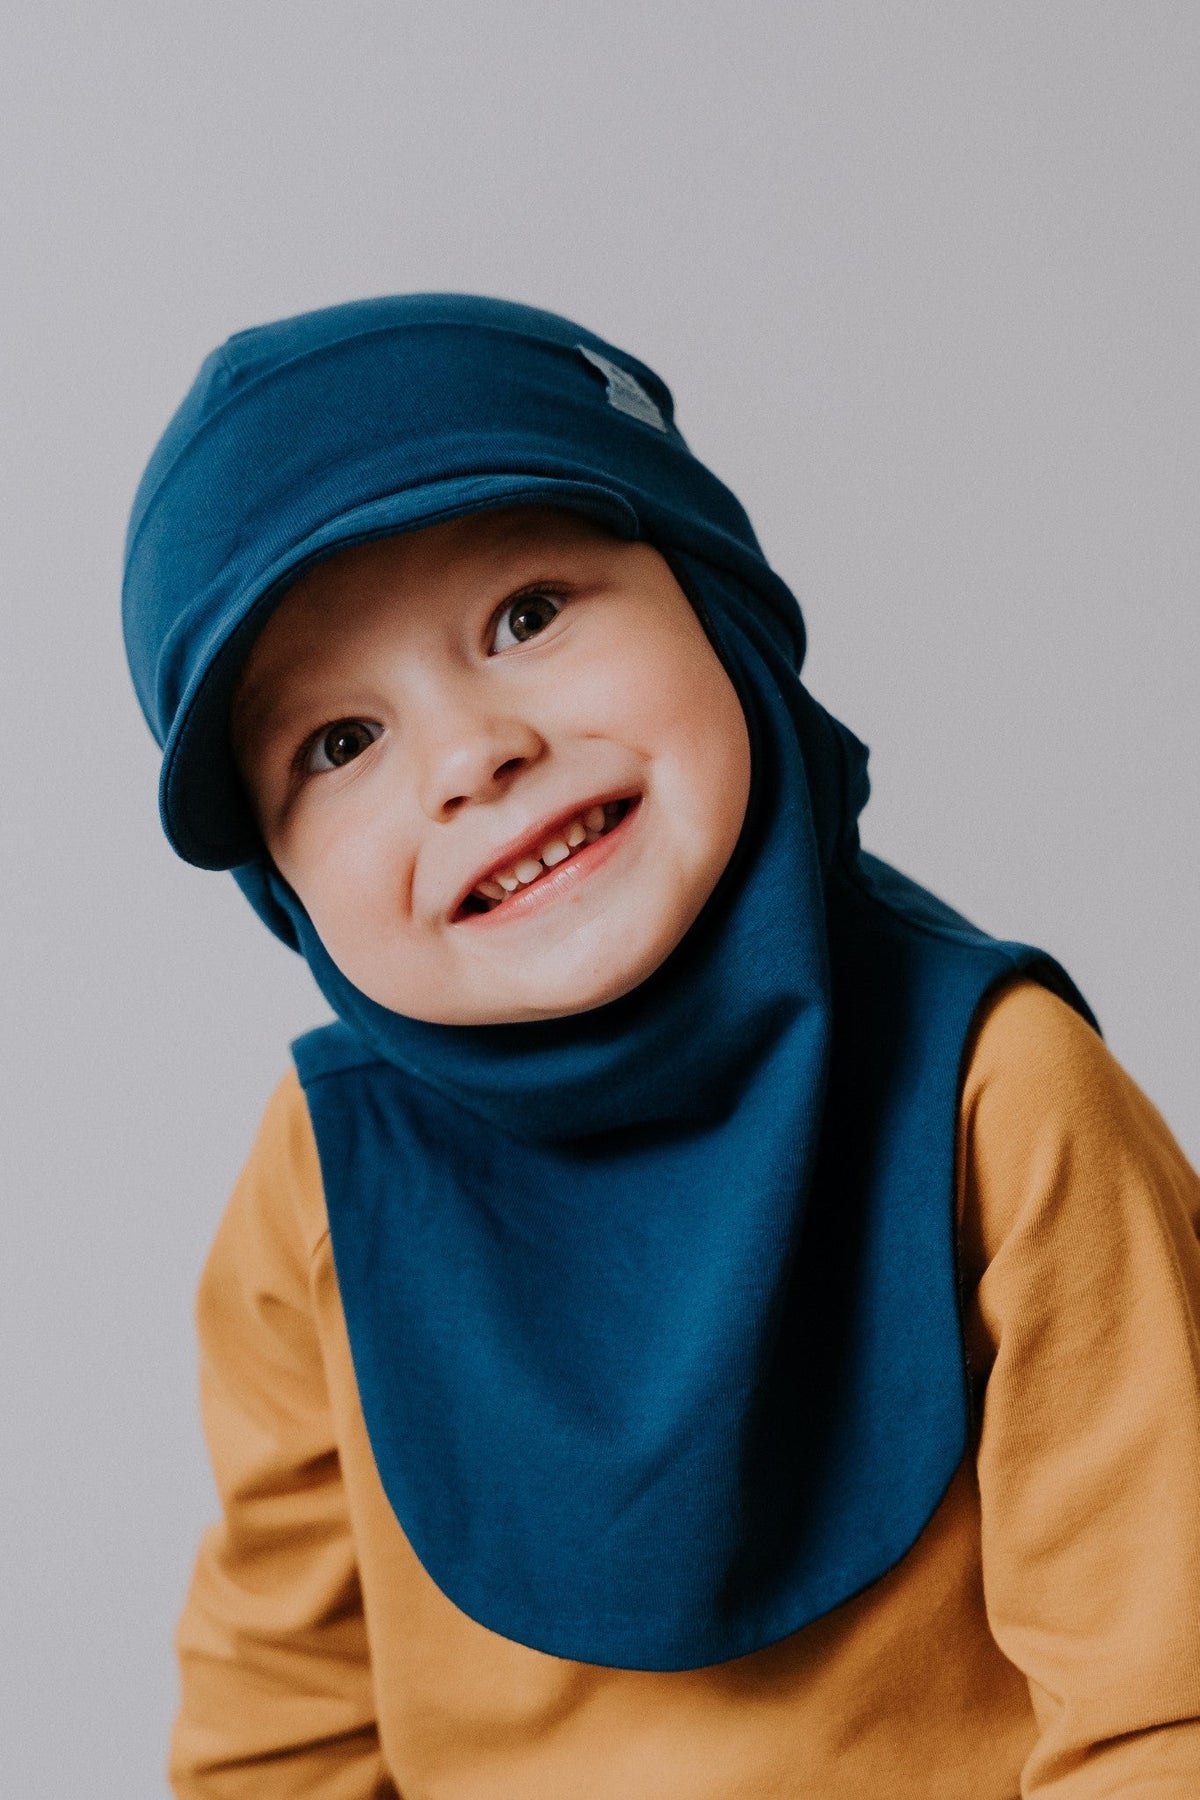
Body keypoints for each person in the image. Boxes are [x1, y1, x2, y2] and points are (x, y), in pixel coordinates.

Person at [122, 295, 1200, 1799]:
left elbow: (1163, 1719)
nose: (473, 756)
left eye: (527, 615)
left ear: (713, 597)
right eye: (340, 742)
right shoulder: (323, 1178)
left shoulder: (999, 1096)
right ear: (281, 886)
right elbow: (281, 1727)